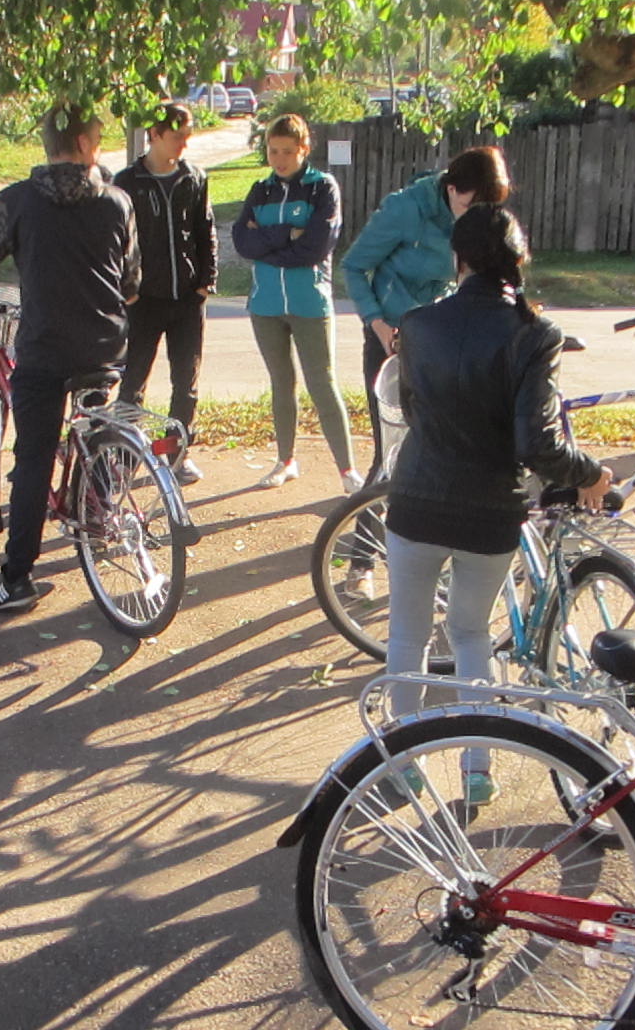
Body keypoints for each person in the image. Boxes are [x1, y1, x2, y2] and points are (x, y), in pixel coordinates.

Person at [382, 204, 611, 801]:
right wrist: (590, 473)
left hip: (416, 498)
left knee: (407, 636)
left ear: (457, 259)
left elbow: (412, 411)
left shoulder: (417, 323)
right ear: (518, 259)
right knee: (470, 634)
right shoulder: (535, 333)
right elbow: (537, 443)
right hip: (490, 512)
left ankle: (403, 761)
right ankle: (477, 768)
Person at [0, 104, 140, 614]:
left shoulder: (18, 203)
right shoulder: (117, 203)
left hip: (43, 352)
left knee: (34, 460)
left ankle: (17, 578)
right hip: (105, 347)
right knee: (94, 428)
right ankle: (102, 511)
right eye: (99, 137)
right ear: (86, 145)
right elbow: (131, 283)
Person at [342, 145, 512, 480]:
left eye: (486, 208)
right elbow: (353, 267)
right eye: (468, 206)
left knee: (441, 445)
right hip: (392, 332)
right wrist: (377, 324)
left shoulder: (480, 221)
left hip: (443, 334)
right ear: (451, 189)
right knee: (392, 451)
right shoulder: (405, 208)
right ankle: (370, 523)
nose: (476, 216)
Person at [231, 113, 362, 492]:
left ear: (304, 150)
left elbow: (316, 247)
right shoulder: (260, 189)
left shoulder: (323, 188)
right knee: (281, 383)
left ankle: (347, 471)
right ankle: (285, 460)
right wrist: (288, 234)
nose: (280, 159)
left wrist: (269, 243)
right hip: (266, 305)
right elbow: (242, 242)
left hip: (310, 303)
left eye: (288, 151)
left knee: (322, 384)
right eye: (273, 151)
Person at [114, 101, 216, 485]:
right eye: (176, 137)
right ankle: (123, 460)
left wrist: (206, 282)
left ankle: (174, 454)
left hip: (188, 299)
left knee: (185, 384)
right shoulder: (127, 182)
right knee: (133, 381)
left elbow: (206, 231)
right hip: (144, 300)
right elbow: (118, 240)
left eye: (187, 137)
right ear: (153, 136)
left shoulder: (194, 177)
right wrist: (129, 289)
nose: (183, 145)